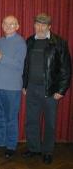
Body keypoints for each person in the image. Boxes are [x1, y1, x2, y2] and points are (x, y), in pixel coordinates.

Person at [22, 13, 71, 164]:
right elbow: (26, 66)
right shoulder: (29, 41)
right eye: (38, 24)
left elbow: (66, 69)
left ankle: (48, 151)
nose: (40, 27)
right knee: (31, 121)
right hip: (31, 88)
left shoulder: (59, 42)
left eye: (44, 25)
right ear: (34, 25)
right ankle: (33, 148)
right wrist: (25, 85)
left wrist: (61, 91)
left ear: (49, 26)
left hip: (50, 90)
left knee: (50, 122)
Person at [0, 15, 27, 159]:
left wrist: (2, 57)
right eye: (6, 23)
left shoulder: (21, 43)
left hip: (12, 89)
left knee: (11, 118)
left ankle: (11, 146)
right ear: (2, 25)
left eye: (12, 24)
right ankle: (0, 142)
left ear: (17, 26)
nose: (8, 26)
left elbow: (19, 65)